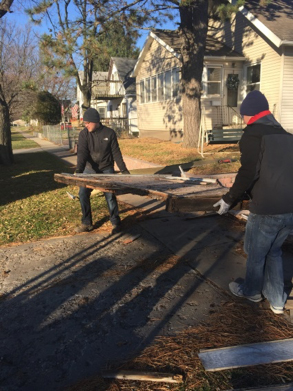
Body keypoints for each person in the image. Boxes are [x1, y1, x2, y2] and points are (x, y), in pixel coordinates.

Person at [213, 90, 293, 315]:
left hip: (266, 207)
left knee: (256, 252)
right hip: (289, 208)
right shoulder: (287, 136)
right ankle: (277, 300)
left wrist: (229, 199)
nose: (243, 119)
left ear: (250, 114)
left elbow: (248, 172)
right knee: (274, 251)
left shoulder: (252, 135)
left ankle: (251, 291)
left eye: (243, 115)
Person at [75, 107, 130, 235]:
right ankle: (87, 223)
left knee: (110, 195)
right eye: (85, 123)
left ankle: (116, 222)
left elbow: (116, 153)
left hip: (106, 168)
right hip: (89, 169)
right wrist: (79, 171)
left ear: (96, 121)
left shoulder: (109, 133)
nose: (86, 125)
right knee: (82, 193)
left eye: (88, 122)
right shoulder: (84, 134)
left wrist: (124, 170)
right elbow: (82, 154)